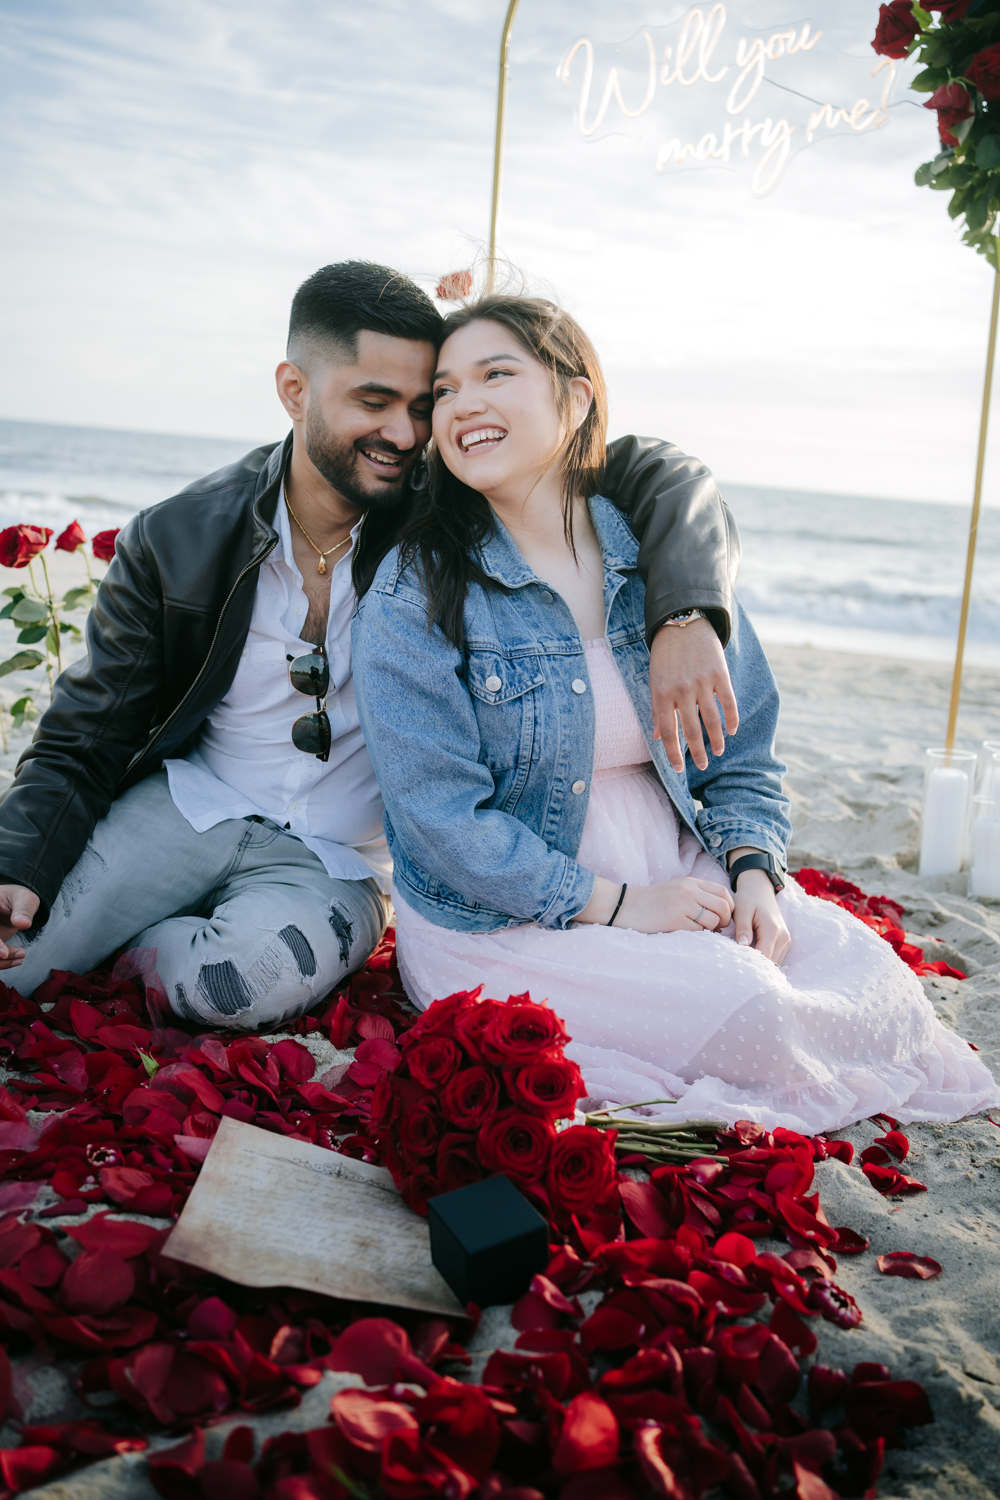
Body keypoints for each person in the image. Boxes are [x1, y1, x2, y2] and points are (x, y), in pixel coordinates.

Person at [0, 261, 742, 1032]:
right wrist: (18, 861)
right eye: (373, 401)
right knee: (21, 960)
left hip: (341, 860)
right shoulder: (179, 537)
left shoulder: (447, 510)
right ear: (295, 390)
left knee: (227, 988)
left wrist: (688, 612)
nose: (406, 433)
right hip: (188, 806)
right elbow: (87, 728)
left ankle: (150, 948)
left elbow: (660, 471)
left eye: (423, 406)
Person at [352, 292, 1000, 1132]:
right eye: (444, 389)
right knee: (754, 1013)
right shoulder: (417, 586)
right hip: (508, 911)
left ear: (575, 397)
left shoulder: (658, 561)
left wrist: (754, 871)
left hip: (671, 858)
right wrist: (619, 906)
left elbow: (743, 750)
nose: (463, 403)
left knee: (870, 979)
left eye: (496, 374)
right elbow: (439, 818)